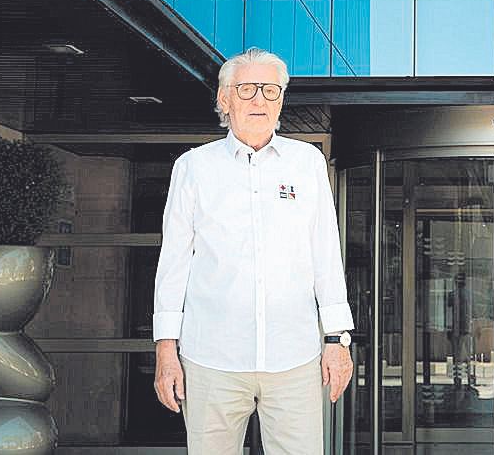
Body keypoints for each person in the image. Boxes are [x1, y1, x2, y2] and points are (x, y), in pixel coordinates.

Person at [151, 47, 354, 454]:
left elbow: (326, 255)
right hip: (211, 359)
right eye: (246, 89)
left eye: (270, 89)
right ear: (224, 99)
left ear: (281, 99)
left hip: (295, 357)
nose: (259, 99)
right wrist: (165, 350)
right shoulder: (193, 167)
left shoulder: (307, 162)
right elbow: (173, 265)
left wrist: (338, 339)